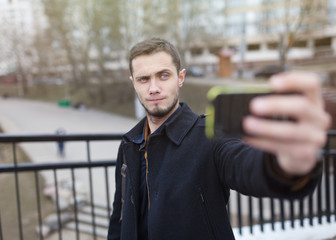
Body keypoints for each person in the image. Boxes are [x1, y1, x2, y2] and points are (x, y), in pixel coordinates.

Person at [107, 38, 331, 240]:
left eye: (163, 75)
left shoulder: (211, 136)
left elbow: (246, 166)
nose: (154, 88)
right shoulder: (130, 143)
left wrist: (287, 165)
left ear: (180, 78)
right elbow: (120, 217)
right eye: (143, 79)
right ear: (133, 83)